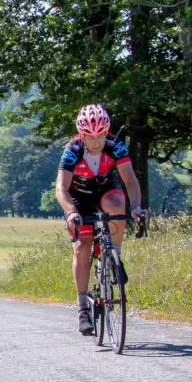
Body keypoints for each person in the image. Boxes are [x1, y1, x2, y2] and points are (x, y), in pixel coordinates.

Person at [55, 104, 146, 335]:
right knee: (82, 247)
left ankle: (115, 256)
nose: (96, 142)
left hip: (105, 190)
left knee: (117, 205)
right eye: (90, 137)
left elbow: (129, 179)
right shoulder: (73, 149)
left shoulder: (115, 145)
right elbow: (61, 188)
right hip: (78, 196)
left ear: (107, 132)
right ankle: (83, 307)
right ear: (81, 134)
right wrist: (71, 212)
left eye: (101, 136)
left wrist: (136, 206)